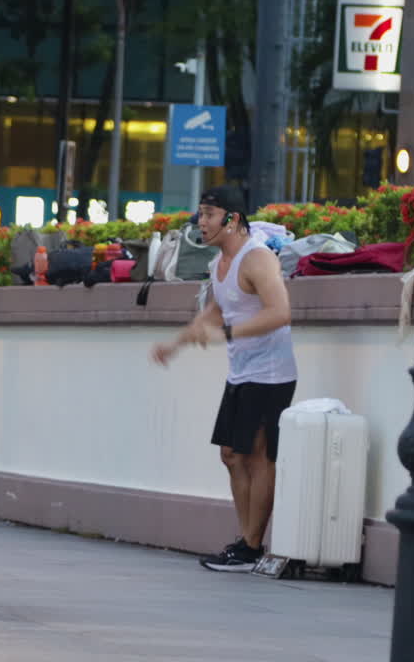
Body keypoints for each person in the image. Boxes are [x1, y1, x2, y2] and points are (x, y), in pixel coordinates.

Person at [151, 186, 297, 572]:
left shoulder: (257, 258)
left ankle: (250, 547)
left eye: (208, 214)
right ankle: (245, 542)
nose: (201, 222)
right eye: (200, 214)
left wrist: (230, 335)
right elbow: (217, 311)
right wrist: (176, 344)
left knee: (258, 456)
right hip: (242, 373)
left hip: (270, 374)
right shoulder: (221, 264)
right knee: (231, 455)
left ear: (231, 219)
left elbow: (280, 311)